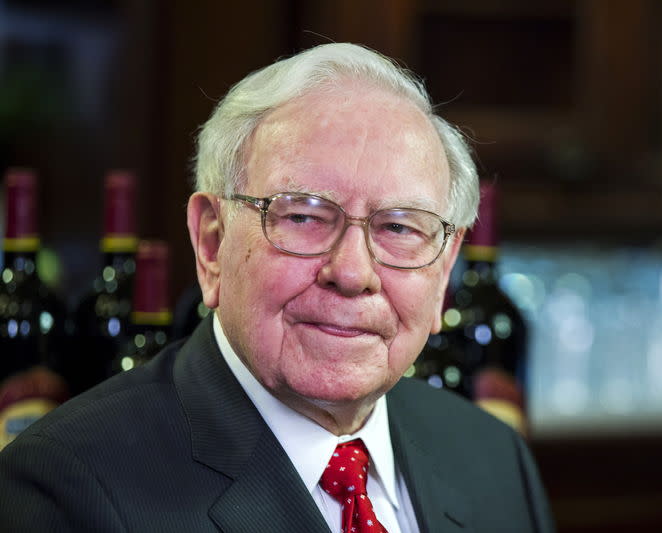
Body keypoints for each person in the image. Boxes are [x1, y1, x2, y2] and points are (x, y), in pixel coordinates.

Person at [0, 43, 553, 532]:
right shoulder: (66, 489)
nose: (354, 273)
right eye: (304, 217)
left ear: (443, 271)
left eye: (399, 228)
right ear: (212, 245)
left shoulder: (495, 460)